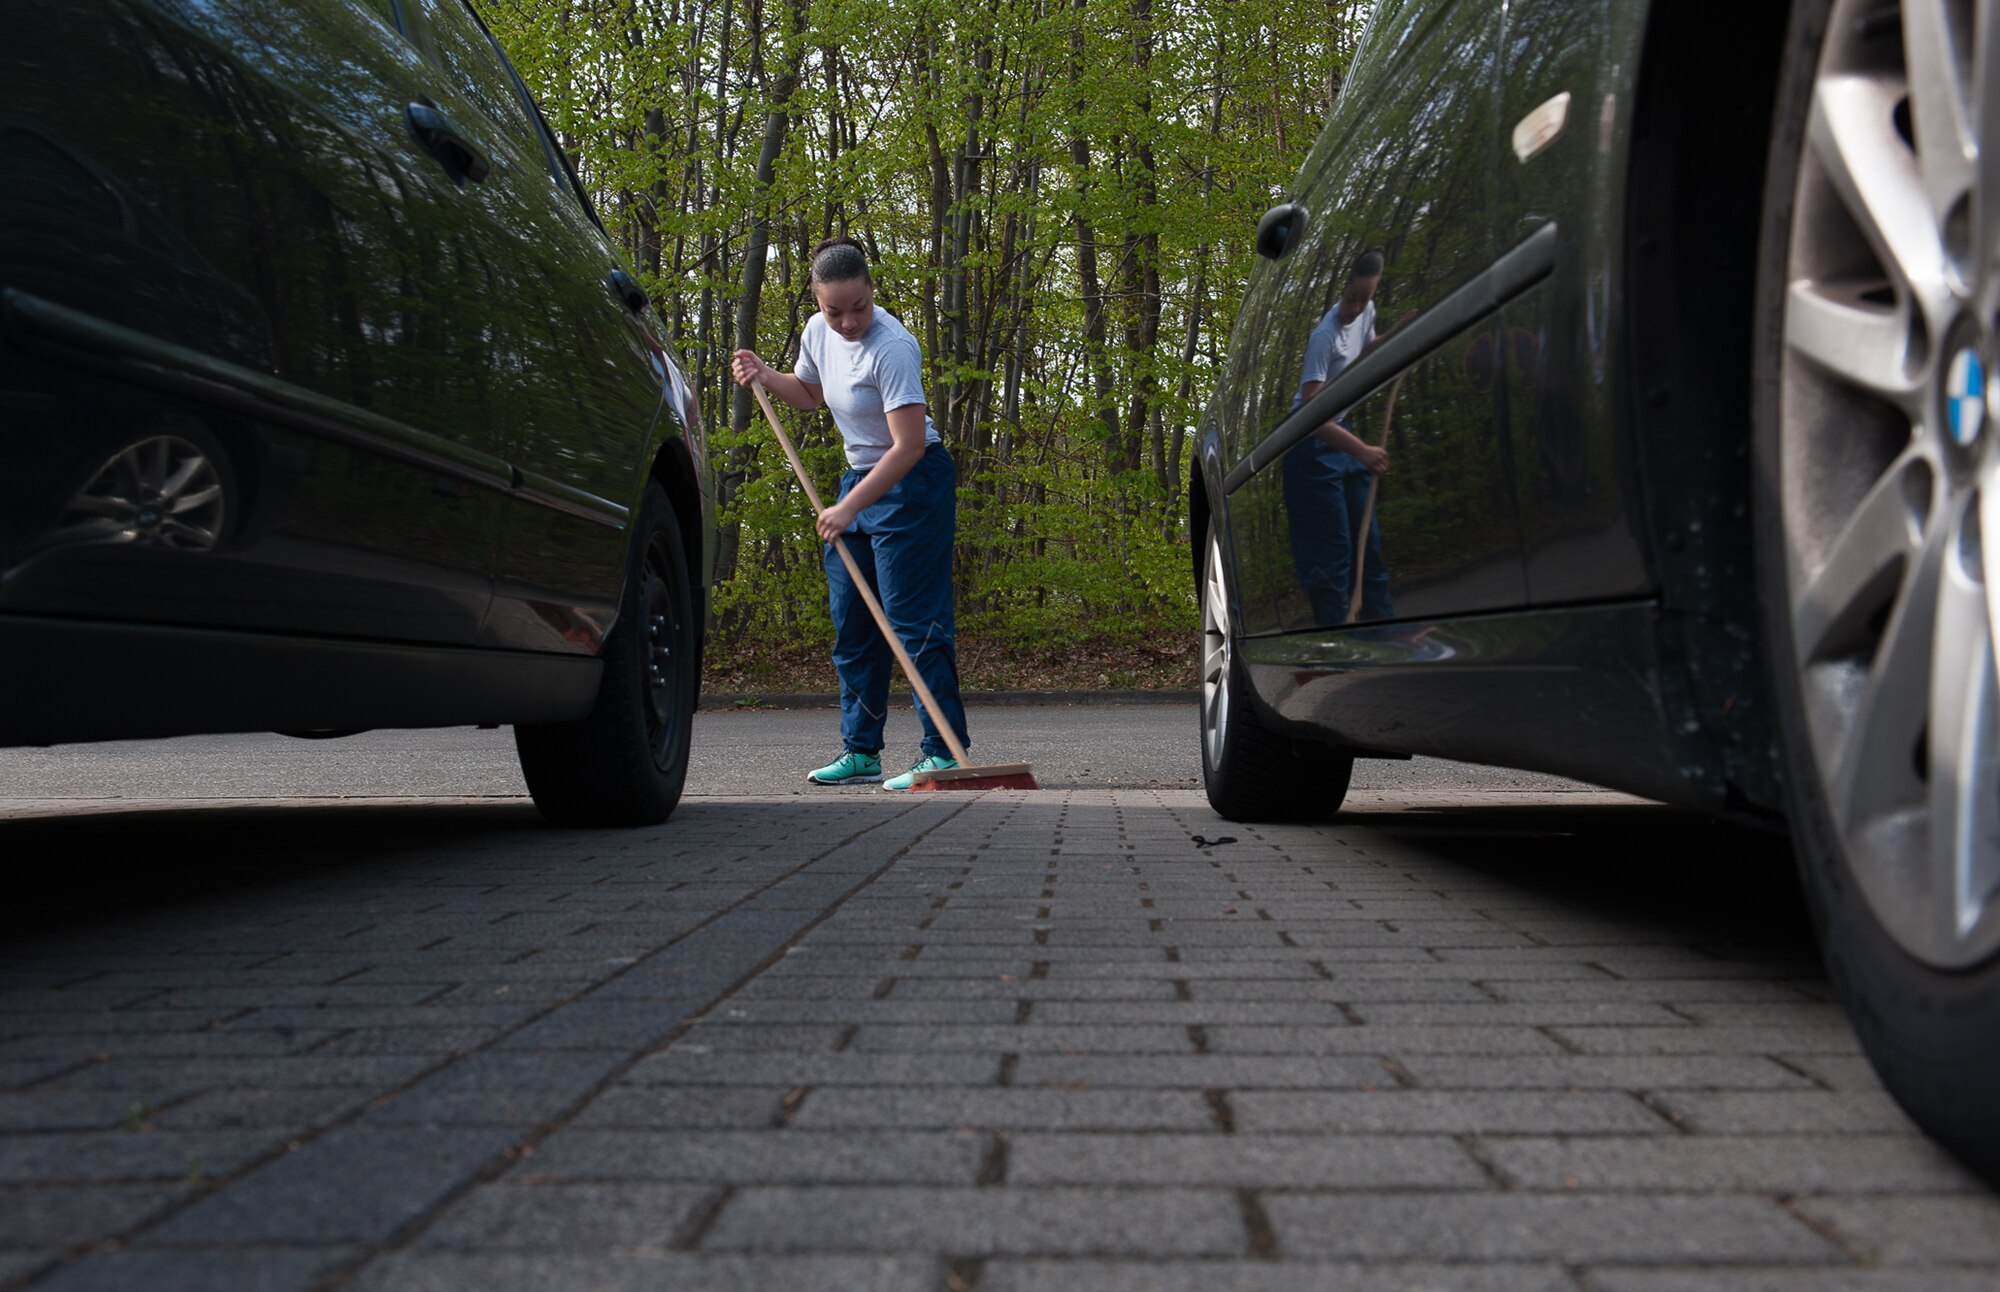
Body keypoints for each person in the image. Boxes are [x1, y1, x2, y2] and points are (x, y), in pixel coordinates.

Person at [733, 237, 971, 791]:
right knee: (853, 622)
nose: (846, 322)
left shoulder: (893, 347)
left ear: (872, 292)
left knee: (913, 621)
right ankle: (861, 752)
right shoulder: (819, 332)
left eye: (858, 308)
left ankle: (944, 753)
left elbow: (908, 446)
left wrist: (846, 508)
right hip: (858, 483)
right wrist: (766, 376)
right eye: (832, 310)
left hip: (912, 484)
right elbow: (811, 394)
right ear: (818, 303)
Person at [1283, 247, 1394, 624]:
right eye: (1351, 298)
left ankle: (1382, 636)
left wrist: (1399, 339)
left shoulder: (1367, 313)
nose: (1357, 308)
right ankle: (1336, 645)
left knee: (1369, 541)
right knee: (1335, 550)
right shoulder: (1323, 336)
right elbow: (1311, 414)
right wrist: (1362, 451)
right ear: (1341, 289)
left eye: (1365, 299)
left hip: (1342, 434)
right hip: (1312, 443)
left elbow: (1366, 348)